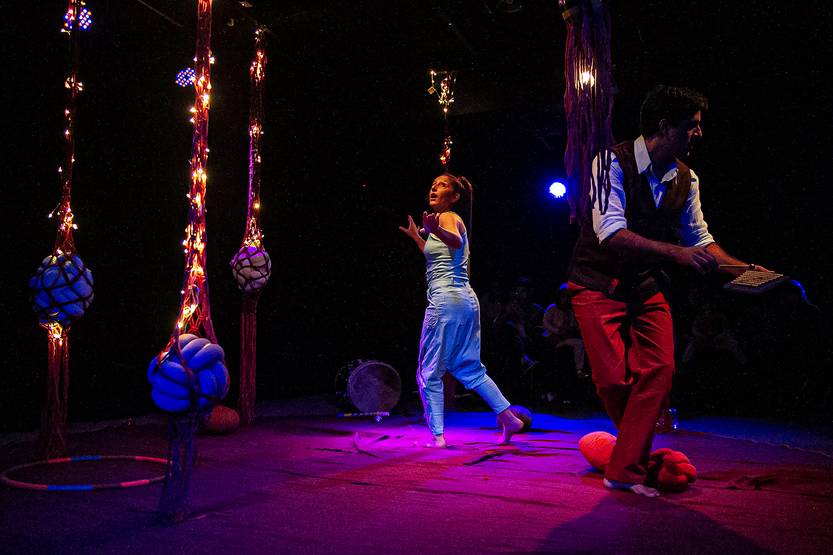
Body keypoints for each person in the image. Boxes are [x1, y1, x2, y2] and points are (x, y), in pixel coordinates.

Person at [567, 85, 769, 496]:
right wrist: (676, 253)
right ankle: (634, 458)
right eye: (692, 125)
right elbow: (611, 233)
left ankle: (624, 470)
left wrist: (745, 270)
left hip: (645, 283)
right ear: (664, 126)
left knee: (660, 369)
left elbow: (700, 238)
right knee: (612, 380)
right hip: (597, 282)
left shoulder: (686, 179)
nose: (699, 133)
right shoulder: (610, 162)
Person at [399, 173, 523, 448]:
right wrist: (418, 237)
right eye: (433, 184)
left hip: (446, 301)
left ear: (455, 196)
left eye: (442, 185)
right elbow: (440, 256)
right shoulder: (443, 221)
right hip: (465, 302)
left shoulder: (447, 217)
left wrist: (436, 229)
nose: (434, 188)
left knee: (429, 372)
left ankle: (437, 436)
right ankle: (509, 418)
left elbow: (454, 240)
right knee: (468, 368)